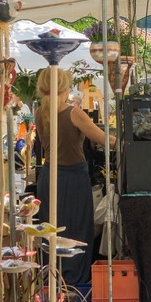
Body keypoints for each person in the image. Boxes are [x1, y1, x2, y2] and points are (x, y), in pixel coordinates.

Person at [34, 66, 116, 288]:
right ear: (65, 87)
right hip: (72, 180)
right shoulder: (73, 112)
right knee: (77, 231)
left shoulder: (39, 112)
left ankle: (52, 284)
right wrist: (127, 143)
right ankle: (74, 286)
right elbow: (105, 139)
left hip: (49, 178)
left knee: (51, 230)